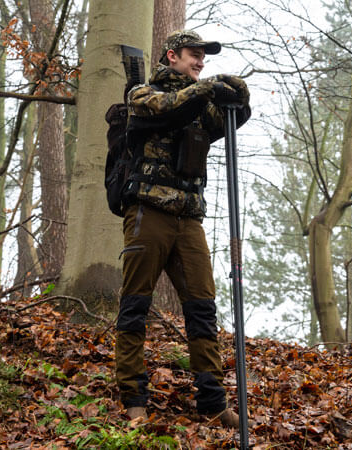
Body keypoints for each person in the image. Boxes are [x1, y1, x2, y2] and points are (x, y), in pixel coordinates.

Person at [116, 30, 251, 428]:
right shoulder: (142, 93)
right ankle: (133, 400)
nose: (201, 63)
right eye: (195, 56)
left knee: (202, 310)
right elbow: (167, 107)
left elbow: (228, 122)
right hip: (148, 213)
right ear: (172, 56)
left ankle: (212, 403)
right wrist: (207, 88)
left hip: (189, 220)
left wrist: (238, 94)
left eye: (204, 59)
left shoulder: (201, 103)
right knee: (135, 307)